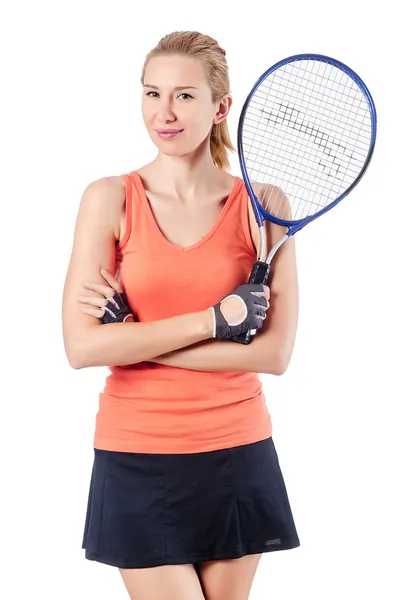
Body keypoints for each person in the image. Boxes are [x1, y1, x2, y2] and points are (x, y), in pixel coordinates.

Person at [62, 30, 300, 600]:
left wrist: (135, 338)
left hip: (237, 449)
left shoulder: (265, 207)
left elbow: (274, 354)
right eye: (151, 93)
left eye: (184, 96)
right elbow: (81, 348)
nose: (162, 113)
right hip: (137, 450)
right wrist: (213, 322)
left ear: (221, 107)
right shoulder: (110, 199)